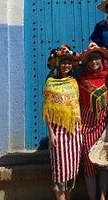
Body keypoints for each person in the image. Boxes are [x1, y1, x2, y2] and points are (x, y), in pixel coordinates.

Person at [43, 45, 83, 200]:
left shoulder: (74, 82)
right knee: (60, 171)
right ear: (58, 64)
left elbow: (76, 106)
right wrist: (51, 133)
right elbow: (47, 110)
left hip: (74, 132)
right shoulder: (50, 83)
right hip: (58, 132)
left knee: (72, 170)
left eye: (69, 62)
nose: (66, 65)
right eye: (63, 62)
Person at [78, 45, 108, 200]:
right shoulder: (82, 80)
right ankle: (92, 197)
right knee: (89, 162)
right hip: (87, 125)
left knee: (104, 160)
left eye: (96, 59)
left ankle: (103, 196)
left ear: (102, 60)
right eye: (91, 60)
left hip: (103, 125)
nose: (94, 62)